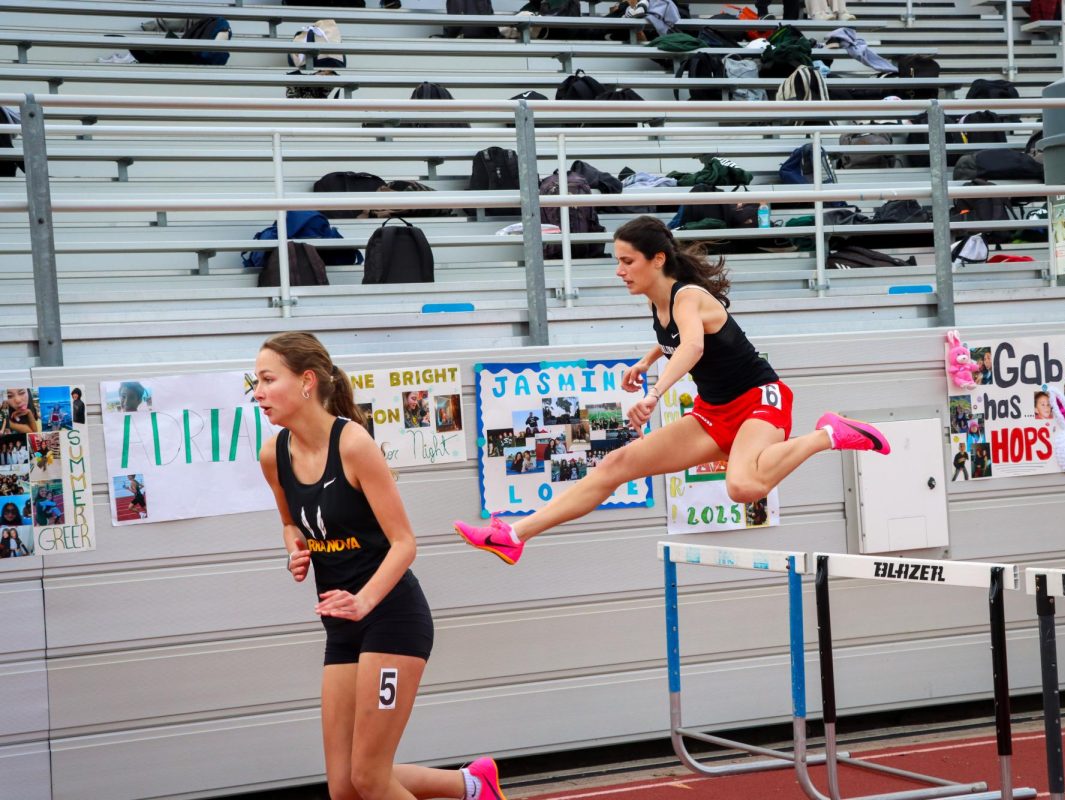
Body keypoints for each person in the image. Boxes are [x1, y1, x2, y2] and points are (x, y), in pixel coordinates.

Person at [453, 216, 890, 565]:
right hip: (714, 411)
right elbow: (674, 339)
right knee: (617, 464)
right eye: (618, 261)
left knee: (742, 487)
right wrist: (646, 361)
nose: (619, 270)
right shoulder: (658, 301)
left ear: (657, 259)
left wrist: (654, 391)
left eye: (627, 261)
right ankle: (513, 534)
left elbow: (694, 346)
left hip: (759, 399)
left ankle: (826, 434)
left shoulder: (688, 296)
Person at [254, 332, 505, 800]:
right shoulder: (273, 455)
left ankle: (473, 786)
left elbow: (405, 543)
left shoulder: (352, 444)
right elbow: (290, 523)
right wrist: (295, 548)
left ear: (306, 382)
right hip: (342, 626)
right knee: (344, 787)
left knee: (369, 776)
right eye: (256, 382)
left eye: (268, 380)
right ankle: (472, 785)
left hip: (390, 617)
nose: (258, 392)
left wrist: (364, 599)